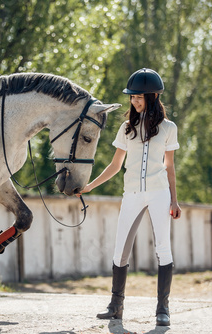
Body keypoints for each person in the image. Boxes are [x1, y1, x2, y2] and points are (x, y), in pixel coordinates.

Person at [78, 68, 182, 326]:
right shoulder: (126, 128)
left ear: (154, 96)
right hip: (132, 194)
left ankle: (162, 309)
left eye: (139, 96)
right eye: (132, 96)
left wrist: (174, 200)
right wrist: (91, 185)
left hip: (159, 193)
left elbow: (169, 166)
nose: (135, 100)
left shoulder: (169, 128)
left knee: (163, 248)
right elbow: (115, 165)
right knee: (120, 249)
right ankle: (116, 306)